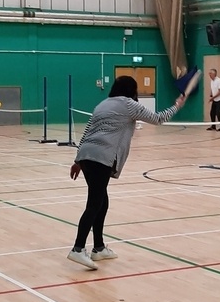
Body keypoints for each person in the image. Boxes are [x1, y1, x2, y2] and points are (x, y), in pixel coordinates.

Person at [67, 76, 188, 270]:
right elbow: (158, 119)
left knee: (101, 202)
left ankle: (98, 248)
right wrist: (177, 105)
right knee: (94, 204)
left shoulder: (103, 104)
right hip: (101, 157)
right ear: (131, 89)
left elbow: (88, 130)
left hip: (86, 156)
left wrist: (77, 161)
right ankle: (78, 248)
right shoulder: (129, 104)